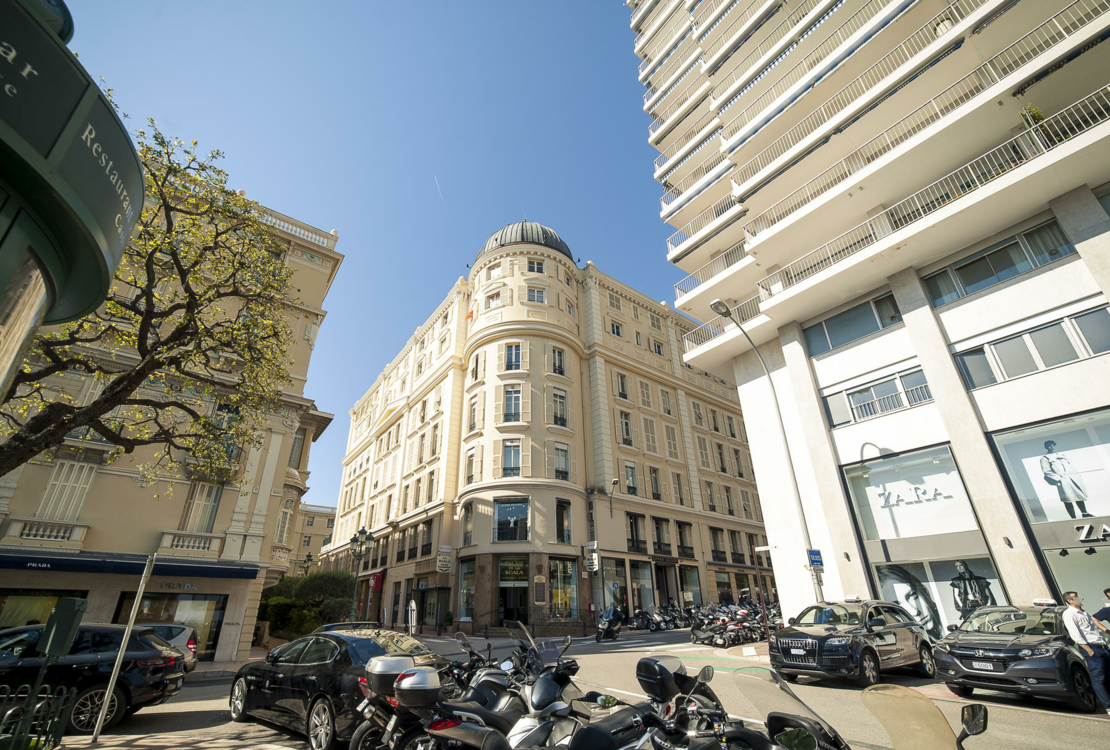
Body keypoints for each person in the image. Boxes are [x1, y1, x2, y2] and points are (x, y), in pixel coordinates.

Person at [1061, 591, 1110, 715]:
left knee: (1108, 675)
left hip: (1102, 646)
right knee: (1098, 677)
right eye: (1075, 597)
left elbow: (1092, 628)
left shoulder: (1083, 612)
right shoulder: (1069, 614)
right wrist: (1088, 649)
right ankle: (1108, 706)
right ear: (1070, 601)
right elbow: (1075, 634)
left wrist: (1105, 632)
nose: (1079, 598)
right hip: (1092, 647)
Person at [1040, 441, 1093, 519]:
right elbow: (1046, 471)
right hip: (1062, 480)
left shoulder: (1062, 455)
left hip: (1072, 478)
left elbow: (1070, 466)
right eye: (1049, 446)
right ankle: (1073, 518)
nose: (1051, 447)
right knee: (1067, 499)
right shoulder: (1044, 458)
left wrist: (1077, 475)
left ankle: (1085, 513)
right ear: (1046, 447)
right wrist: (1059, 479)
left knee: (1078, 495)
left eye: (1053, 445)